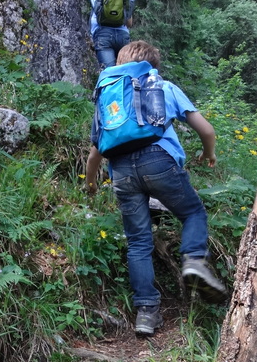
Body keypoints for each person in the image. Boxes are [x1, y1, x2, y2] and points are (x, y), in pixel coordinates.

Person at [86, 40, 227, 336]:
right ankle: (193, 261)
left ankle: (146, 314)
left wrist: (90, 183)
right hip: (159, 162)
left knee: (138, 241)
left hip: (121, 169)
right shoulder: (161, 85)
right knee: (193, 214)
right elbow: (206, 130)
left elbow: (96, 151)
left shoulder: (108, 94)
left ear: (120, 63)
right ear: (153, 66)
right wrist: (209, 153)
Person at [71, 0, 133, 69]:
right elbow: (129, 22)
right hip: (123, 36)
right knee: (125, 73)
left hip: (102, 35)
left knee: (109, 74)